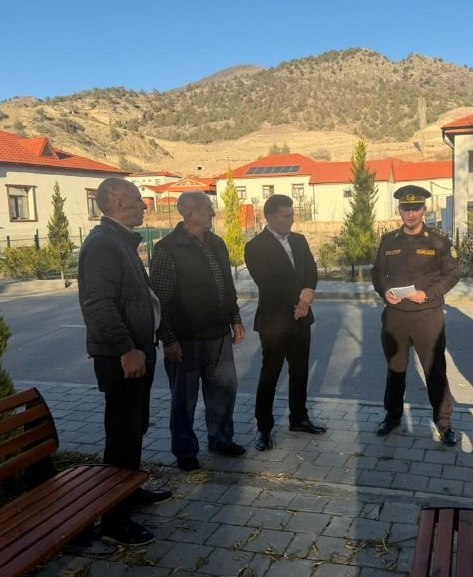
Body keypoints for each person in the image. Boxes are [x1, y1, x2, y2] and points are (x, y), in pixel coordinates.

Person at [78, 178, 171, 547]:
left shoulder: (121, 241)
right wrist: (126, 349)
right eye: (137, 200)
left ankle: (129, 491)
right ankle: (115, 520)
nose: (144, 206)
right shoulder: (103, 244)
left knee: (134, 429)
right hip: (123, 356)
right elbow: (97, 305)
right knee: (122, 436)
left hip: (137, 350)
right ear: (117, 202)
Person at [149, 191, 247, 472]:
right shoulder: (168, 248)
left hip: (218, 336)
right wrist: (168, 339)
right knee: (184, 399)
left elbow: (227, 287)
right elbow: (160, 299)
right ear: (189, 213)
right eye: (207, 209)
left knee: (223, 391)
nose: (213, 213)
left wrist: (235, 318)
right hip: (185, 339)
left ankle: (221, 440)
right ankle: (184, 450)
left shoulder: (217, 243)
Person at [371, 185, 460, 445]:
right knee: (395, 369)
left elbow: (452, 274)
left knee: (434, 370)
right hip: (395, 315)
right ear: (399, 210)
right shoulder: (388, 241)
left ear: (424, 210)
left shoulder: (438, 241)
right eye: (406, 209)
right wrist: (384, 291)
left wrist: (429, 294)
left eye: (416, 209)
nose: (410, 214)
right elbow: (377, 273)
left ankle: (444, 422)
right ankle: (393, 415)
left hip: (427, 316)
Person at [244, 194, 326, 451]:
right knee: (271, 374)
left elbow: (311, 270)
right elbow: (267, 281)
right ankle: (264, 428)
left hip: (301, 319)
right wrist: (299, 300)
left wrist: (309, 292)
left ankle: (299, 418)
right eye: (286, 216)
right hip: (275, 321)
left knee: (300, 371)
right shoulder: (256, 246)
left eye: (292, 215)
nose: (292, 220)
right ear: (270, 217)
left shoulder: (299, 241)